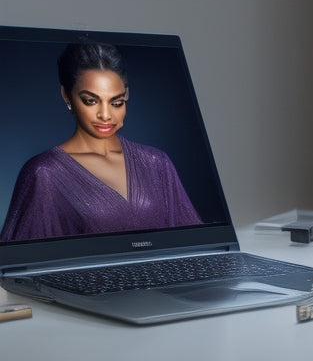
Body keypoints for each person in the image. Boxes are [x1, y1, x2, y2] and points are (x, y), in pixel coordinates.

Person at [0, 43, 201, 242]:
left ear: (127, 95)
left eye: (116, 103)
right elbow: (23, 266)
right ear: (67, 96)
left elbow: (195, 245)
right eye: (90, 100)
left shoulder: (157, 162)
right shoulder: (44, 172)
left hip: (159, 274)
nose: (105, 115)